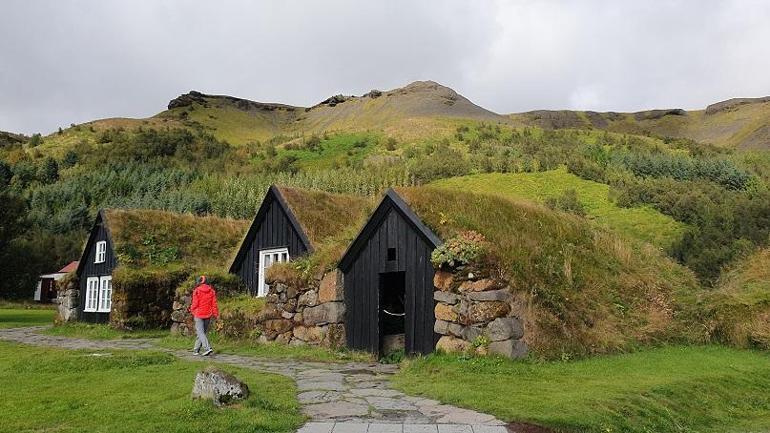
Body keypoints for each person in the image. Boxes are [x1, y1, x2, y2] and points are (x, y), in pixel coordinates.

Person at [190, 275, 218, 356]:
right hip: (208, 314)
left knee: (200, 332)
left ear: (199, 282)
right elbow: (214, 304)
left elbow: (195, 303)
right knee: (202, 332)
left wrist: (191, 309)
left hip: (198, 314)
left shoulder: (197, 291)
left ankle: (207, 348)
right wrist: (215, 314)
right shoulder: (212, 291)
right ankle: (196, 350)